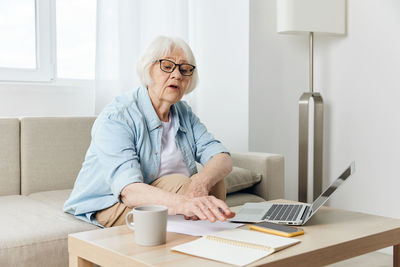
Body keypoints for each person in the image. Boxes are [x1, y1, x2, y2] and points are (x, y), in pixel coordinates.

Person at [63, 36, 235, 227]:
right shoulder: (118, 116)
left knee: (214, 181)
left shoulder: (183, 112)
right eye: (167, 66)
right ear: (148, 69)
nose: (177, 75)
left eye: (185, 70)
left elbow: (222, 157)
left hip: (170, 195)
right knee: (181, 184)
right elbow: (128, 191)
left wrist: (200, 184)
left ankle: (205, 242)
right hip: (110, 203)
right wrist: (186, 202)